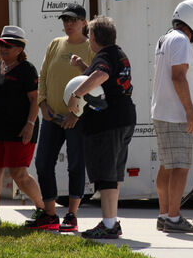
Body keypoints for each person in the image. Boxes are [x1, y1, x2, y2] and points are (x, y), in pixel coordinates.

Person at [67, 16, 136, 239]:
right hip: (124, 119)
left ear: (94, 36)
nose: (88, 41)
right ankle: (111, 222)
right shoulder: (118, 53)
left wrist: (77, 94)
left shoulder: (104, 56)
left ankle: (108, 225)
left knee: (106, 176)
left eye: (89, 36)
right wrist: (82, 67)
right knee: (112, 175)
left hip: (108, 123)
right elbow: (105, 78)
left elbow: (102, 75)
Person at [0, 26, 49, 229]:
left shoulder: (27, 69)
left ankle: (43, 211)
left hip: (20, 129)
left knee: (18, 173)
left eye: (8, 45)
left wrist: (30, 125)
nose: (3, 48)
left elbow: (34, 100)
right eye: (1, 44)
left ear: (19, 49)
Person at [31, 3, 95, 231]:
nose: (68, 24)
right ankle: (49, 214)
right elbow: (43, 74)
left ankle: (72, 215)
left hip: (77, 118)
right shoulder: (55, 44)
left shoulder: (90, 48)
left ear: (84, 22)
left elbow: (95, 84)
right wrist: (42, 103)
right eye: (65, 20)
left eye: (73, 20)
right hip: (52, 116)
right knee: (42, 163)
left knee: (76, 165)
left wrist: (76, 114)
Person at [151, 0, 193, 233]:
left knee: (167, 166)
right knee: (180, 167)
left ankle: (165, 215)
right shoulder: (181, 41)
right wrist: (190, 113)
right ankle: (174, 218)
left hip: (163, 112)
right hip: (176, 115)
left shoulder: (166, 38)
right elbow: (178, 77)